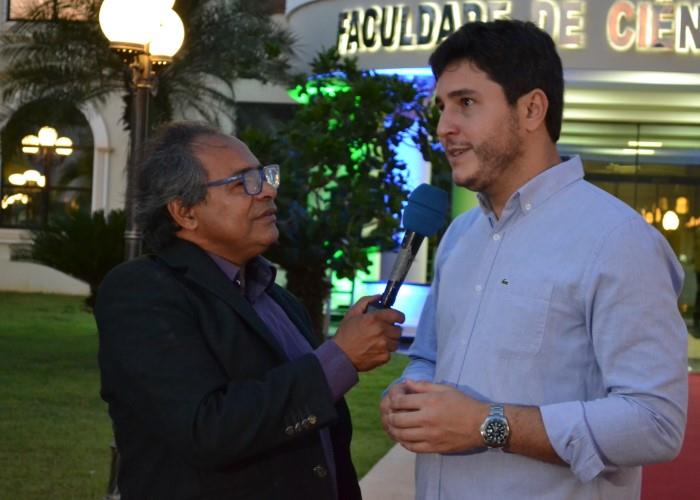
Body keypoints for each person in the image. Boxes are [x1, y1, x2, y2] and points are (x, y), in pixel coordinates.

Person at [380, 19, 688, 500]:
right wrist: (409, 394)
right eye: (442, 107)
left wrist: (488, 425)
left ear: (531, 109)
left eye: (466, 102)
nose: (443, 128)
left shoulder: (618, 240)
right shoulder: (461, 234)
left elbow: (655, 422)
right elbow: (428, 357)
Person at [95, 121, 405, 500]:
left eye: (265, 176)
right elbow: (207, 430)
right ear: (185, 212)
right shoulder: (143, 290)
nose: (269, 191)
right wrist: (340, 357)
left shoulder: (278, 300)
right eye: (243, 183)